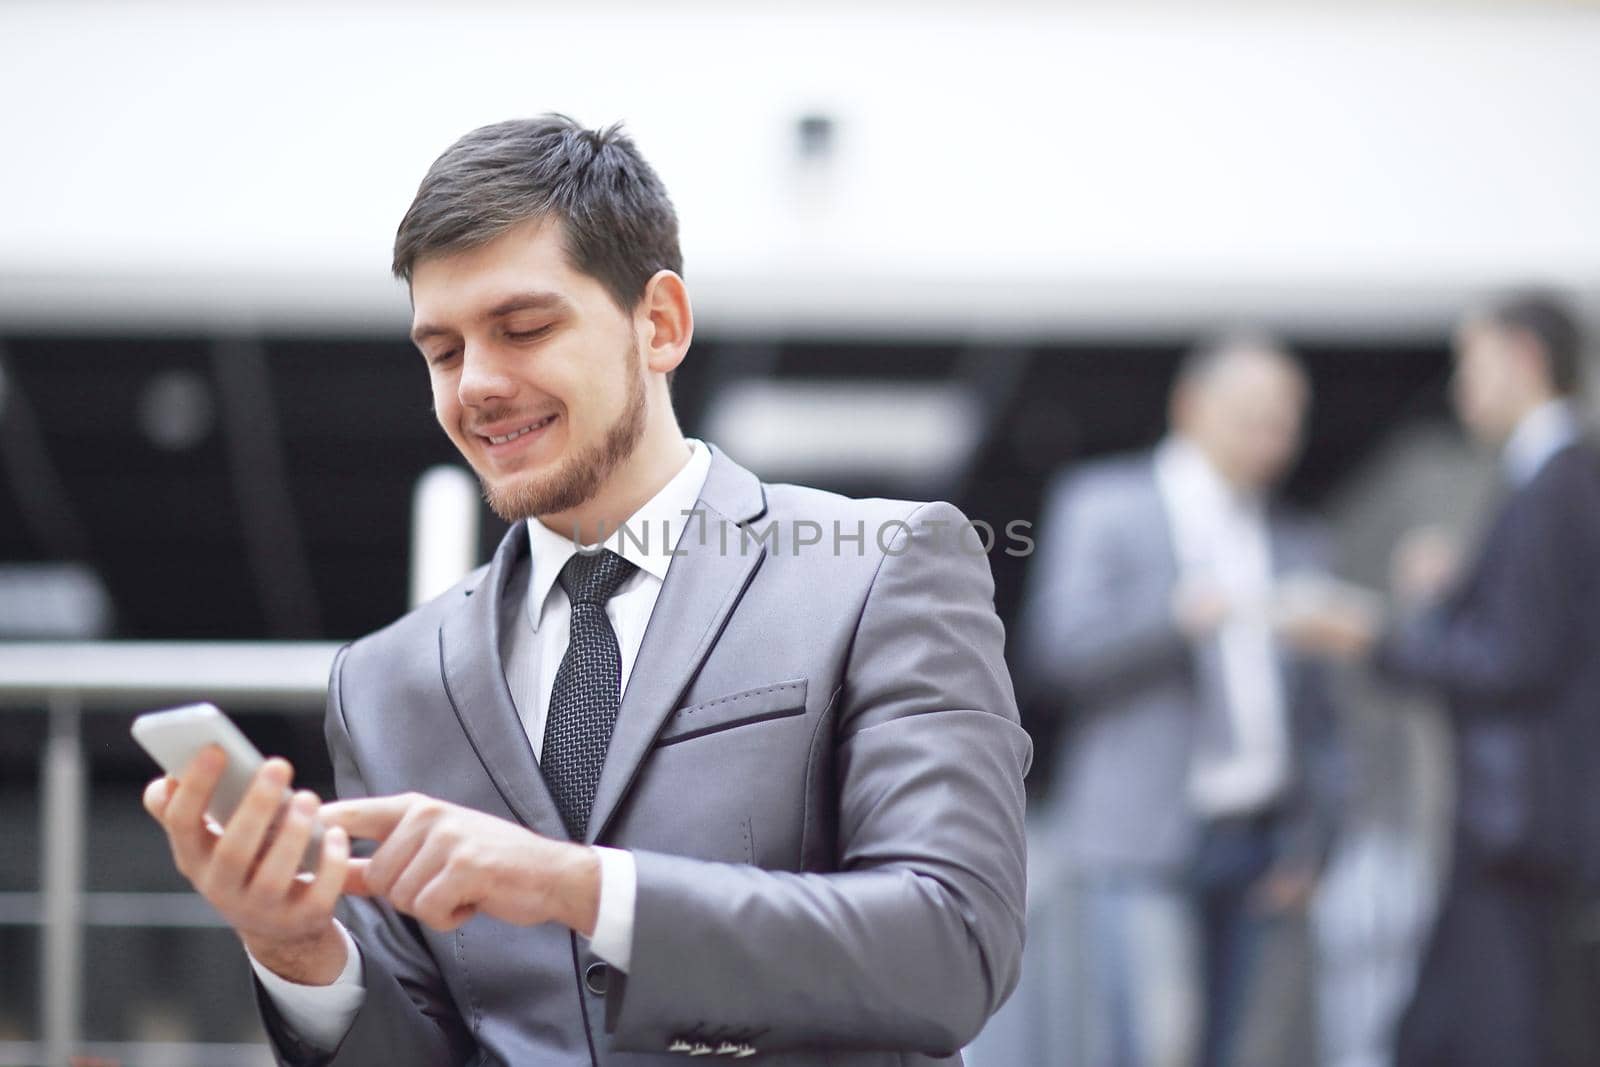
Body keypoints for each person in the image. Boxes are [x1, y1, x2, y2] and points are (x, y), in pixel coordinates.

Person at [140, 115, 1032, 1066]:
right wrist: (298, 948)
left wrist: (583, 888)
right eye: (442, 352)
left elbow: (953, 947)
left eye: (523, 328)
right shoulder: (384, 681)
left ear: (660, 324)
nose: (477, 384)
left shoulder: (878, 564)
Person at [1284, 292, 1600, 1067]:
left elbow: (1512, 659)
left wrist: (1374, 638)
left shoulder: (1558, 482)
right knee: (1437, 1034)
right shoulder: (1545, 481)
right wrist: (1455, 592)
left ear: (1522, 356)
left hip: (1518, 830)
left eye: (1472, 361)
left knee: (1493, 1039)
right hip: (1508, 825)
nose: (1463, 385)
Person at [1017, 335, 1346, 1067]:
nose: (1275, 439)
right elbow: (1059, 648)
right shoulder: (1104, 504)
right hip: (1142, 838)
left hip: (1259, 845)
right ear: (1192, 407)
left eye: (1288, 420)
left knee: (1234, 1048)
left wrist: (1314, 835)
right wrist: (1175, 617)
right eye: (1255, 416)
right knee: (1153, 1047)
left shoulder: (1298, 541)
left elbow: (1321, 717)